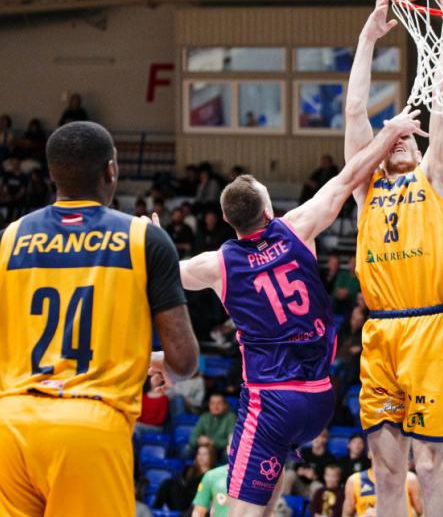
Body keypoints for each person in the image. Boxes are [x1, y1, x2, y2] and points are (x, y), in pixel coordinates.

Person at [0, 121, 200, 516]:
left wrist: (5, 387)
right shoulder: (143, 238)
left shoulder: (6, 239)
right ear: (110, 170)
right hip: (89, 425)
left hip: (12, 423)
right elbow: (183, 361)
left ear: (53, 174)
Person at [178, 108, 426, 515]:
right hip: (320, 399)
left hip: (272, 400)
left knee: (244, 511)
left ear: (225, 219)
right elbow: (351, 175)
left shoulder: (216, 265)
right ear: (268, 211)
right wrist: (392, 132)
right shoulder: (296, 226)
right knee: (270, 498)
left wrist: (151, 239)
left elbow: (163, 275)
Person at [342, 0, 443, 517]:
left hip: (431, 330)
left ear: (419, 148)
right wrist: (368, 38)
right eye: (390, 138)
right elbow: (354, 111)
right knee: (387, 471)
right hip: (381, 333)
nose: (398, 141)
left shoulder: (434, 178)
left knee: (431, 467)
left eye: (407, 139)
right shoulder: (365, 189)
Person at [342, 455, 423, 517]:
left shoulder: (409, 478)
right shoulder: (355, 480)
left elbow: (424, 513)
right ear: (369, 453)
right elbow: (346, 515)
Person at [187, 393, 237, 460]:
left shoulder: (231, 417)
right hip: (204, 449)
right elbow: (192, 438)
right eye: (212, 403)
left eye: (219, 403)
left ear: (225, 405)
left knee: (228, 453)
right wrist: (199, 440)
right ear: (209, 405)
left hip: (220, 451)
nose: (215, 406)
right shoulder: (205, 416)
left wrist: (212, 442)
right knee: (187, 449)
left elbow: (232, 441)